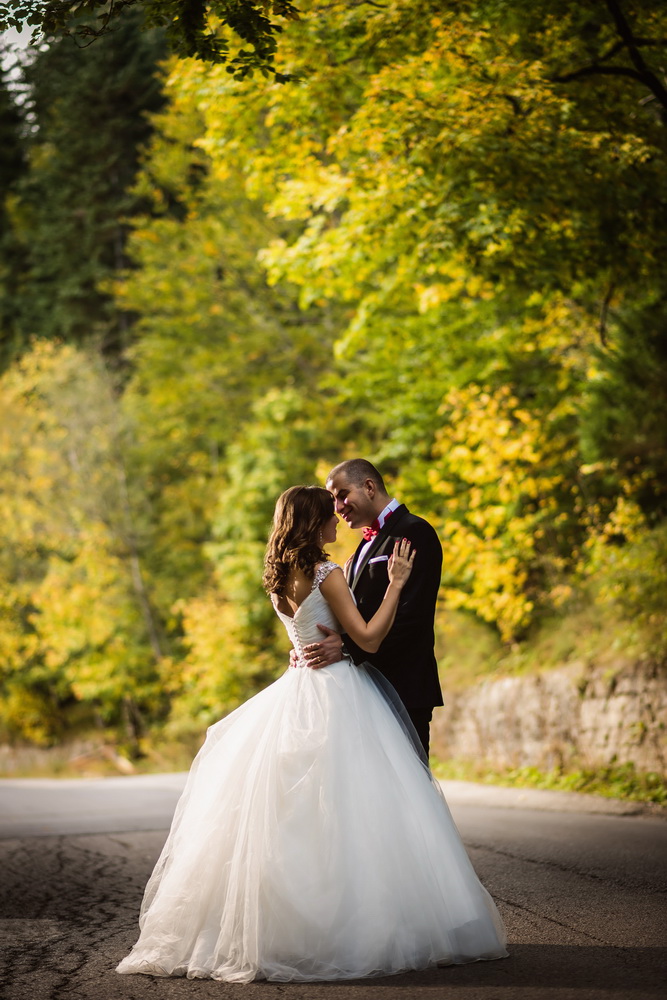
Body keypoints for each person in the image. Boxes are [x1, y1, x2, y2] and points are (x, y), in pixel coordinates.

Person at [116, 485, 507, 983]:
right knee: (359, 810)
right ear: (313, 523)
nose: (336, 520)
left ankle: (292, 933)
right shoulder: (327, 573)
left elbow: (305, 633)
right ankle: (358, 928)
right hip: (337, 692)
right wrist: (395, 584)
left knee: (297, 817)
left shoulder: (278, 577)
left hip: (296, 689)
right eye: (328, 514)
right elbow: (368, 639)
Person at [302, 459, 443, 756]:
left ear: (369, 487)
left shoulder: (415, 531)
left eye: (342, 495)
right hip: (363, 689)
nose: (338, 508)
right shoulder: (360, 549)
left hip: (403, 686)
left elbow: (412, 617)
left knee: (409, 779)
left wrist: (346, 649)